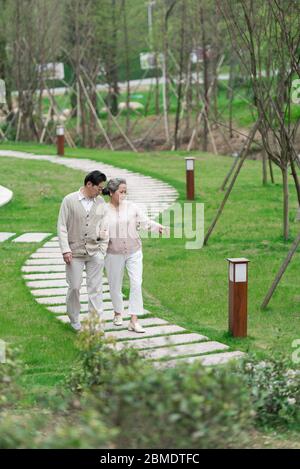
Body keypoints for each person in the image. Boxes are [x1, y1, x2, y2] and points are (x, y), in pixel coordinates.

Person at [103, 178, 167, 333]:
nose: (124, 194)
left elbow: (145, 222)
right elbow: (98, 231)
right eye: (121, 191)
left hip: (134, 251)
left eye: (125, 191)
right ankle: (118, 312)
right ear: (111, 192)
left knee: (136, 283)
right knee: (114, 286)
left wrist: (157, 226)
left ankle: (134, 320)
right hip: (113, 253)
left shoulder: (132, 207)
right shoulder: (103, 210)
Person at [57, 170, 109, 331]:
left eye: (102, 189)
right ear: (88, 184)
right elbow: (61, 227)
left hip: (95, 253)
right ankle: (74, 318)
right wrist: (65, 250)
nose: (101, 192)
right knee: (74, 287)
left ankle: (95, 323)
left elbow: (105, 228)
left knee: (95, 288)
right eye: (98, 188)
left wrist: (102, 251)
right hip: (74, 253)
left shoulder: (101, 203)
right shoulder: (69, 200)